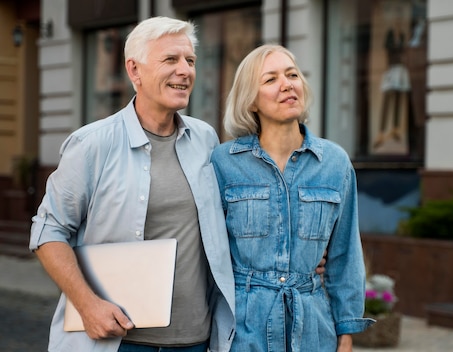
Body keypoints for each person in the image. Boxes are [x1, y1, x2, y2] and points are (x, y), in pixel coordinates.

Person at [29, 16, 236, 352]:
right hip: (119, 342)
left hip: (195, 341)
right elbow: (47, 232)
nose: (185, 70)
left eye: (190, 60)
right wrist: (87, 304)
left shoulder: (206, 140)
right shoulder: (92, 144)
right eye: (171, 59)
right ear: (134, 71)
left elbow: (225, 224)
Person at [210, 44, 375, 352]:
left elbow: (345, 255)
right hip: (244, 332)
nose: (286, 84)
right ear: (251, 100)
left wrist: (346, 331)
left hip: (314, 330)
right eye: (270, 79)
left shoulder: (334, 163)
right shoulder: (224, 163)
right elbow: (209, 256)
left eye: (292, 74)